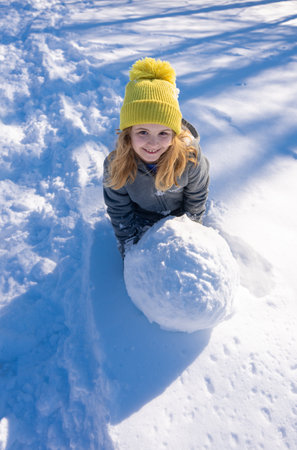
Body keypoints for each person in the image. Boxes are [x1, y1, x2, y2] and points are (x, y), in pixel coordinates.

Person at [103, 57, 210, 258]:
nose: (153, 144)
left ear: (174, 135)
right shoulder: (116, 165)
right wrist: (130, 247)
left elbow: (196, 200)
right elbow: (119, 211)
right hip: (141, 221)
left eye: (163, 133)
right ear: (128, 134)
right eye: (142, 132)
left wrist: (192, 234)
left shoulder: (190, 159)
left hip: (180, 220)